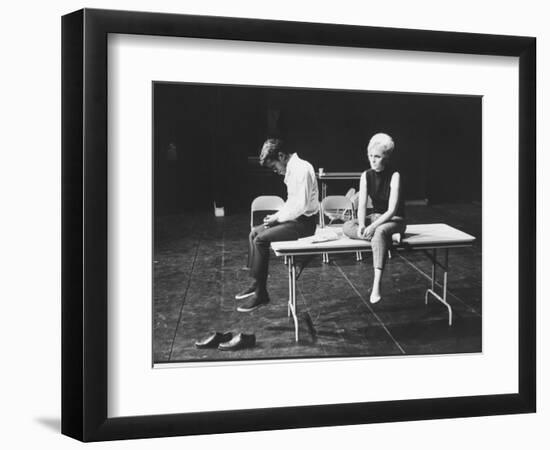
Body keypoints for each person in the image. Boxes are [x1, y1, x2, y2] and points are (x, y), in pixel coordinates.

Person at [235, 138, 319, 312]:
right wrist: (276, 216)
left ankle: (261, 294)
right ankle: (257, 282)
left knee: (260, 241)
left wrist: (278, 219)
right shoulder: (292, 169)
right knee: (254, 233)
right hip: (295, 219)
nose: (276, 171)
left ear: (281, 156)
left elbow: (300, 207)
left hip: (305, 224)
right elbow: (291, 203)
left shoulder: (302, 169)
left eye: (274, 166)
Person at [343, 133, 406, 304]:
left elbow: (392, 211)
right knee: (348, 226)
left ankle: (377, 285)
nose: (373, 160)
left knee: (378, 232)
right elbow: (361, 205)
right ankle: (387, 238)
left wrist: (372, 227)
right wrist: (362, 224)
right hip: (376, 218)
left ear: (386, 157)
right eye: (370, 156)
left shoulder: (395, 175)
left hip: (395, 220)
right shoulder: (366, 175)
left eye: (377, 156)